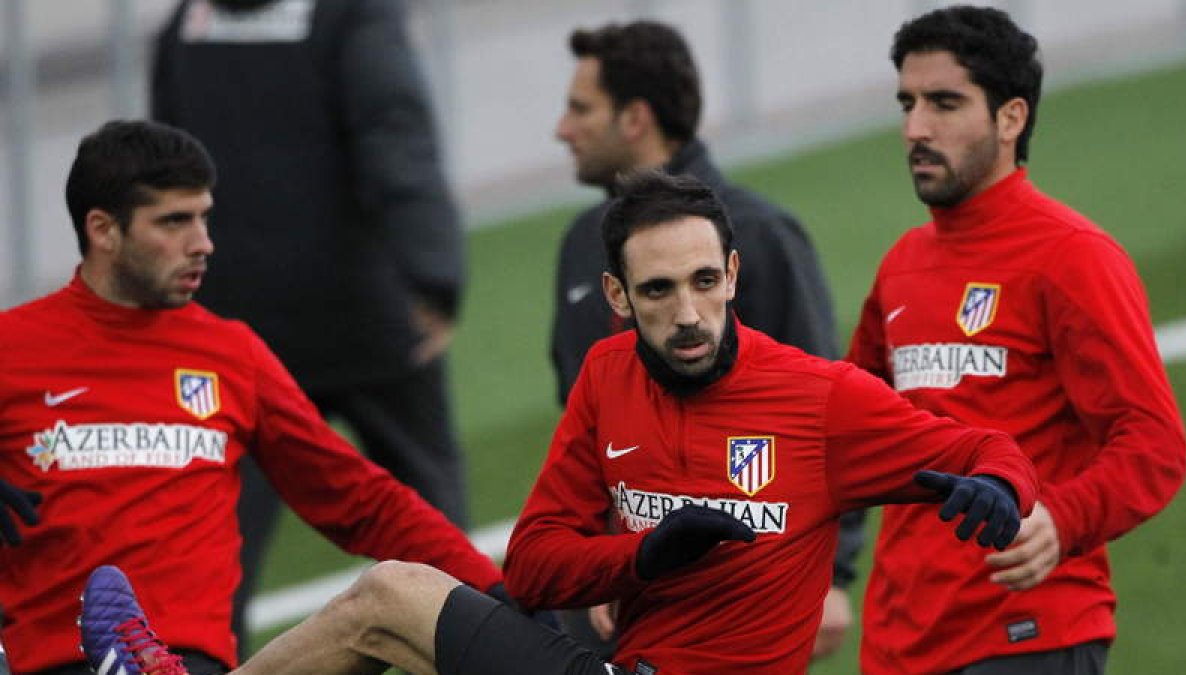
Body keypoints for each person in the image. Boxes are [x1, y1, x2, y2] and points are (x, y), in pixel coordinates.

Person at [79, 170, 1037, 675]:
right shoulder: (608, 375)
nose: (690, 311)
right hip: (613, 664)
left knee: (388, 602)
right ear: (618, 296)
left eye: (707, 282)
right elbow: (533, 564)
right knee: (385, 609)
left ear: (734, 277)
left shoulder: (821, 399)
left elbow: (981, 446)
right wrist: (643, 556)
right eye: (660, 290)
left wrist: (1002, 487)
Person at [0, 119, 504, 675]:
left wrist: (498, 596)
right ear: (103, 230)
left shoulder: (230, 353)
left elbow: (362, 499)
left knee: (387, 602)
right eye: (174, 222)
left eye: (203, 217)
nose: (203, 243)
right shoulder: (13, 350)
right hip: (49, 664)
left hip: (198, 666)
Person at [847, 6, 1186, 674]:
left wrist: (1061, 519)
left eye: (944, 103)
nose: (915, 128)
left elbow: (1154, 442)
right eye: (907, 103)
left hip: (1027, 636)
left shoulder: (1072, 257)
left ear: (1011, 118)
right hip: (902, 642)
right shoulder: (902, 265)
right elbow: (844, 428)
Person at [150, 0, 471, 654]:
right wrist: (432, 273)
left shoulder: (184, 32)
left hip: (240, 335)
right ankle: (491, 653)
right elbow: (395, 139)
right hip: (369, 324)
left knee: (209, 557)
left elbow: (161, 190)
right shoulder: (352, 18)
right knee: (437, 534)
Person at [550, 20, 861, 657]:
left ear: (635, 119)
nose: (562, 128)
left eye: (581, 109)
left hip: (739, 586)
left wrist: (837, 571)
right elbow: (578, 426)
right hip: (615, 584)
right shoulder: (584, 243)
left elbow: (830, 408)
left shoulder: (760, 233)